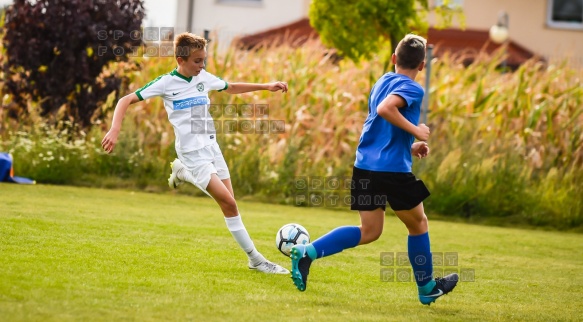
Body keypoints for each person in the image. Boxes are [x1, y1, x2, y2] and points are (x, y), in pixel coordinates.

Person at [289, 34, 458, 305]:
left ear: (394, 59)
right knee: (418, 224)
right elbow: (385, 109)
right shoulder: (413, 88)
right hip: (392, 172)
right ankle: (427, 288)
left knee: (369, 231)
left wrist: (410, 147)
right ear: (422, 65)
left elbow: (381, 128)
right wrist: (418, 131)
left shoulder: (381, 81)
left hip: (365, 166)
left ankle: (308, 251)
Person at [101, 32, 289, 275]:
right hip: (191, 152)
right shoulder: (166, 83)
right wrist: (115, 129)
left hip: (212, 147)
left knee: (229, 203)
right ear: (181, 60)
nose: (202, 66)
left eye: (204, 60)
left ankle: (183, 174)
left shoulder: (204, 78)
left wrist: (266, 86)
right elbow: (125, 100)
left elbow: (230, 87)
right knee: (229, 203)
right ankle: (256, 260)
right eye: (197, 61)